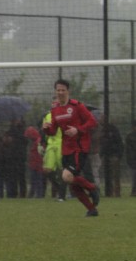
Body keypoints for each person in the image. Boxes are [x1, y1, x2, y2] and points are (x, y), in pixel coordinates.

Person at [41, 78, 100, 217]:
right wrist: (46, 128)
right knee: (73, 183)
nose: (60, 92)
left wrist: (77, 130)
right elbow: (53, 131)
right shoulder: (55, 110)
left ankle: (92, 188)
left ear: (68, 91)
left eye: (63, 90)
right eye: (58, 90)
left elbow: (92, 122)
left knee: (67, 176)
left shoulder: (77, 106)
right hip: (66, 149)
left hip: (79, 148)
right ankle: (91, 209)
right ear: (55, 92)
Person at [42, 106, 66, 200]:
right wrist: (42, 142)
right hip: (51, 144)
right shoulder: (47, 116)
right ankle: (59, 188)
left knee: (63, 170)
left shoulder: (65, 115)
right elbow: (44, 130)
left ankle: (62, 194)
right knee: (47, 170)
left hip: (62, 143)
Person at [99, 118, 124, 198]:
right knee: (108, 174)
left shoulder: (113, 130)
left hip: (113, 154)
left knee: (115, 174)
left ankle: (116, 192)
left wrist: (118, 155)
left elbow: (119, 142)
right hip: (106, 155)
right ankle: (110, 191)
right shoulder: (102, 130)